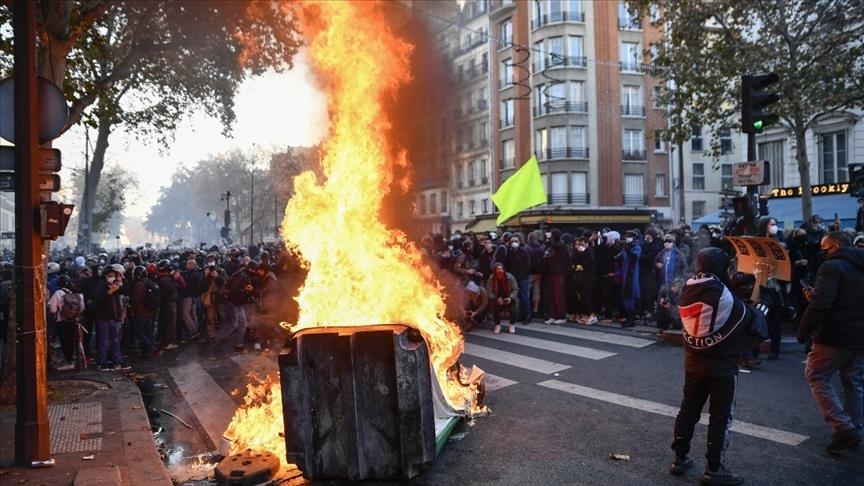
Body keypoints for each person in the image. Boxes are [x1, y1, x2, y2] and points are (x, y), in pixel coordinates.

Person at [670, 247, 768, 485]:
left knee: (688, 410)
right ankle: (714, 468)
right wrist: (760, 310)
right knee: (720, 417)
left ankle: (679, 458)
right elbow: (749, 322)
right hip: (721, 366)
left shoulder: (689, 288)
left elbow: (724, 299)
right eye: (727, 267)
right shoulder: (724, 296)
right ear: (720, 268)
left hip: (693, 361)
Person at [797, 231, 864, 454]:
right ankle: (853, 426)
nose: (822, 253)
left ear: (835, 247)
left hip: (835, 334)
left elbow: (821, 304)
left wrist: (803, 330)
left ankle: (844, 428)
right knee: (852, 380)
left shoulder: (832, 267)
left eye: (825, 249)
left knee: (816, 374)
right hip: (859, 335)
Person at [93, 265, 129, 370]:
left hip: (116, 318)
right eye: (110, 275)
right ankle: (102, 362)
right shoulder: (101, 286)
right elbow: (97, 302)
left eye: (114, 275)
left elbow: (126, 290)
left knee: (116, 341)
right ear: (105, 276)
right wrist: (110, 292)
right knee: (104, 341)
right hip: (104, 318)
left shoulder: (116, 285)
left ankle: (117, 361)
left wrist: (123, 278)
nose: (112, 277)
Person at [486, 262, 519, 334]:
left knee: (513, 310)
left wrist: (510, 297)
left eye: (501, 269)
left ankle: (512, 324)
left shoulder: (509, 277)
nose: (500, 270)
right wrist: (496, 299)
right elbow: (489, 291)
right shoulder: (491, 278)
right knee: (496, 310)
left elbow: (515, 289)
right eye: (498, 269)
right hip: (497, 298)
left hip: (508, 297)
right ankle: (497, 325)